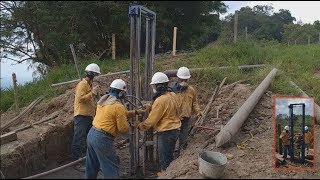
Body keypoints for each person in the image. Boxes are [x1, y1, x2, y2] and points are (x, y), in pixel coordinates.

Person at [85, 79, 145, 179]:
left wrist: (135, 112)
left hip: (92, 134)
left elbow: (117, 114)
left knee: (92, 165)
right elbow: (123, 128)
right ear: (121, 93)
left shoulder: (103, 101)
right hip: (102, 139)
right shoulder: (118, 106)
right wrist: (134, 124)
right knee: (110, 166)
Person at [134, 72, 181, 176]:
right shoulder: (172, 95)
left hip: (166, 133)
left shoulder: (160, 100)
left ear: (158, 86)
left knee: (164, 159)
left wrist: (140, 125)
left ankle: (166, 174)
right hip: (175, 130)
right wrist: (151, 106)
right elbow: (167, 109)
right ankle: (167, 173)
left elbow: (151, 121)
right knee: (169, 156)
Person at [71, 63, 101, 167]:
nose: (96, 77)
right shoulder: (82, 84)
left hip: (88, 116)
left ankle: (85, 157)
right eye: (95, 75)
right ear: (92, 74)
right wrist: (92, 93)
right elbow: (80, 99)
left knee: (89, 138)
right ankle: (76, 161)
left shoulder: (89, 85)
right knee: (78, 138)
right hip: (81, 115)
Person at [171, 67, 202, 151]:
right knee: (172, 139)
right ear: (178, 78)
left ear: (188, 79)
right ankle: (172, 155)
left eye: (185, 79)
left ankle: (182, 152)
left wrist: (198, 111)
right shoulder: (172, 91)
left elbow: (194, 102)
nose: (184, 81)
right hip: (174, 119)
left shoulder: (191, 90)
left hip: (186, 118)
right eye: (182, 79)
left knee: (183, 138)